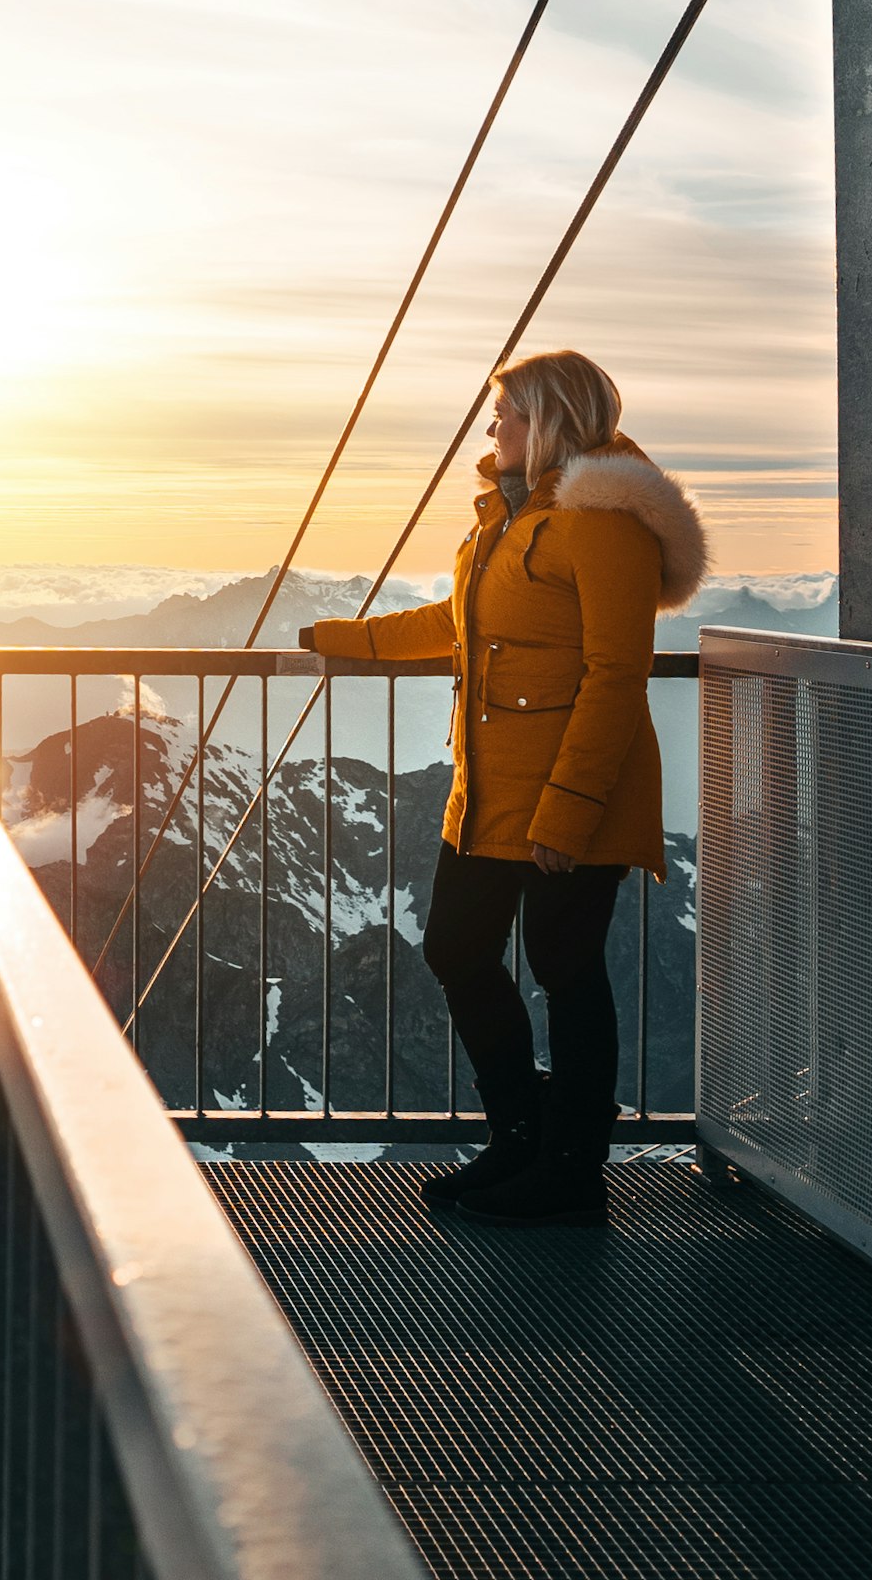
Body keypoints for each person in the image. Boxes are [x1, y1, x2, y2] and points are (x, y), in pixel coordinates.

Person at [300, 350, 704, 1227]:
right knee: (457, 947)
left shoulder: (602, 524)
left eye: (506, 415)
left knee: (566, 971)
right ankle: (521, 1136)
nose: (492, 431)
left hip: (568, 796)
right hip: (487, 792)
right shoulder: (508, 519)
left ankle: (571, 1171)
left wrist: (570, 812)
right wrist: (348, 641)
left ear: (550, 419)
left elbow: (615, 674)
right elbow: (460, 623)